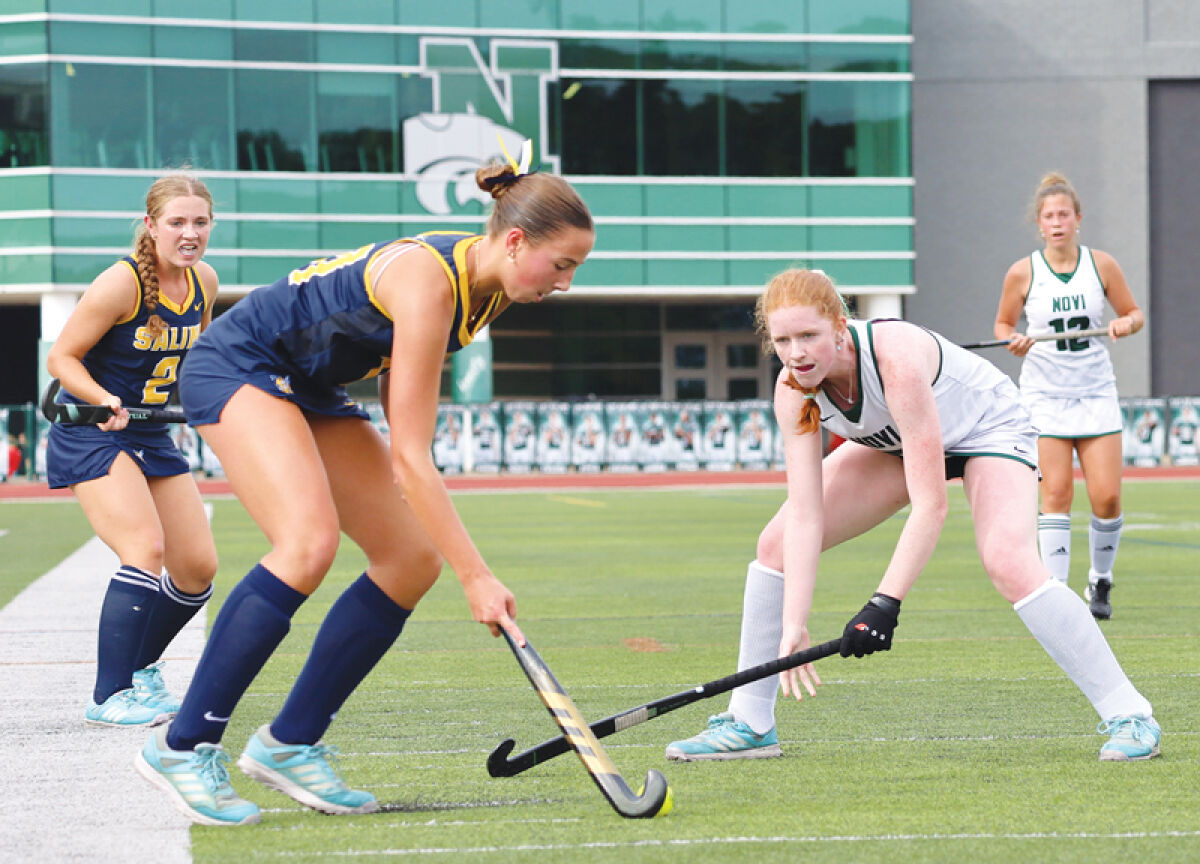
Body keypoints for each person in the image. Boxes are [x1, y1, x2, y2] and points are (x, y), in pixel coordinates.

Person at [135, 150, 595, 827]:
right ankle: (183, 745)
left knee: (411, 559)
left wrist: (453, 558)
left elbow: (391, 380)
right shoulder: (428, 280)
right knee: (307, 544)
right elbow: (412, 456)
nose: (565, 284)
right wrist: (478, 577)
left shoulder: (489, 291)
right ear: (517, 240)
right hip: (238, 363)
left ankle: (290, 742)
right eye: (562, 266)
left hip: (309, 386)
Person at [665, 268, 1161, 765]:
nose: (797, 353)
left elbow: (931, 505)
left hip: (985, 430)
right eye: (783, 340)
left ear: (840, 326)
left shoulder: (894, 360)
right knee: (774, 546)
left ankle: (1130, 714)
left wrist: (884, 603)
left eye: (809, 336)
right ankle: (751, 722)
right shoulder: (793, 390)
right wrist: (794, 623)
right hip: (897, 442)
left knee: (1009, 562)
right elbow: (805, 514)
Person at [44, 173, 219, 726]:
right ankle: (109, 695)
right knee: (144, 547)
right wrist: (103, 397)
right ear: (151, 226)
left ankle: (141, 669)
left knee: (196, 569)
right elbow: (62, 359)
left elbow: (199, 359)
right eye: (177, 223)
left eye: (200, 222)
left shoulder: (204, 282)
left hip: (150, 433)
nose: (189, 233)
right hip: (91, 430)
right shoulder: (120, 284)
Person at [994, 172, 1143, 620]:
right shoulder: (1023, 272)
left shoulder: (1102, 265)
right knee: (1055, 493)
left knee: (1107, 499)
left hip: (1094, 391)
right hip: (1044, 394)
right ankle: (1057, 593)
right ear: (1039, 224)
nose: (1057, 222)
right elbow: (1003, 325)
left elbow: (1134, 313)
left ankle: (1101, 580)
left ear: (1078, 219)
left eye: (1064, 214)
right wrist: (1013, 340)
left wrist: (1125, 324)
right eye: (1049, 216)